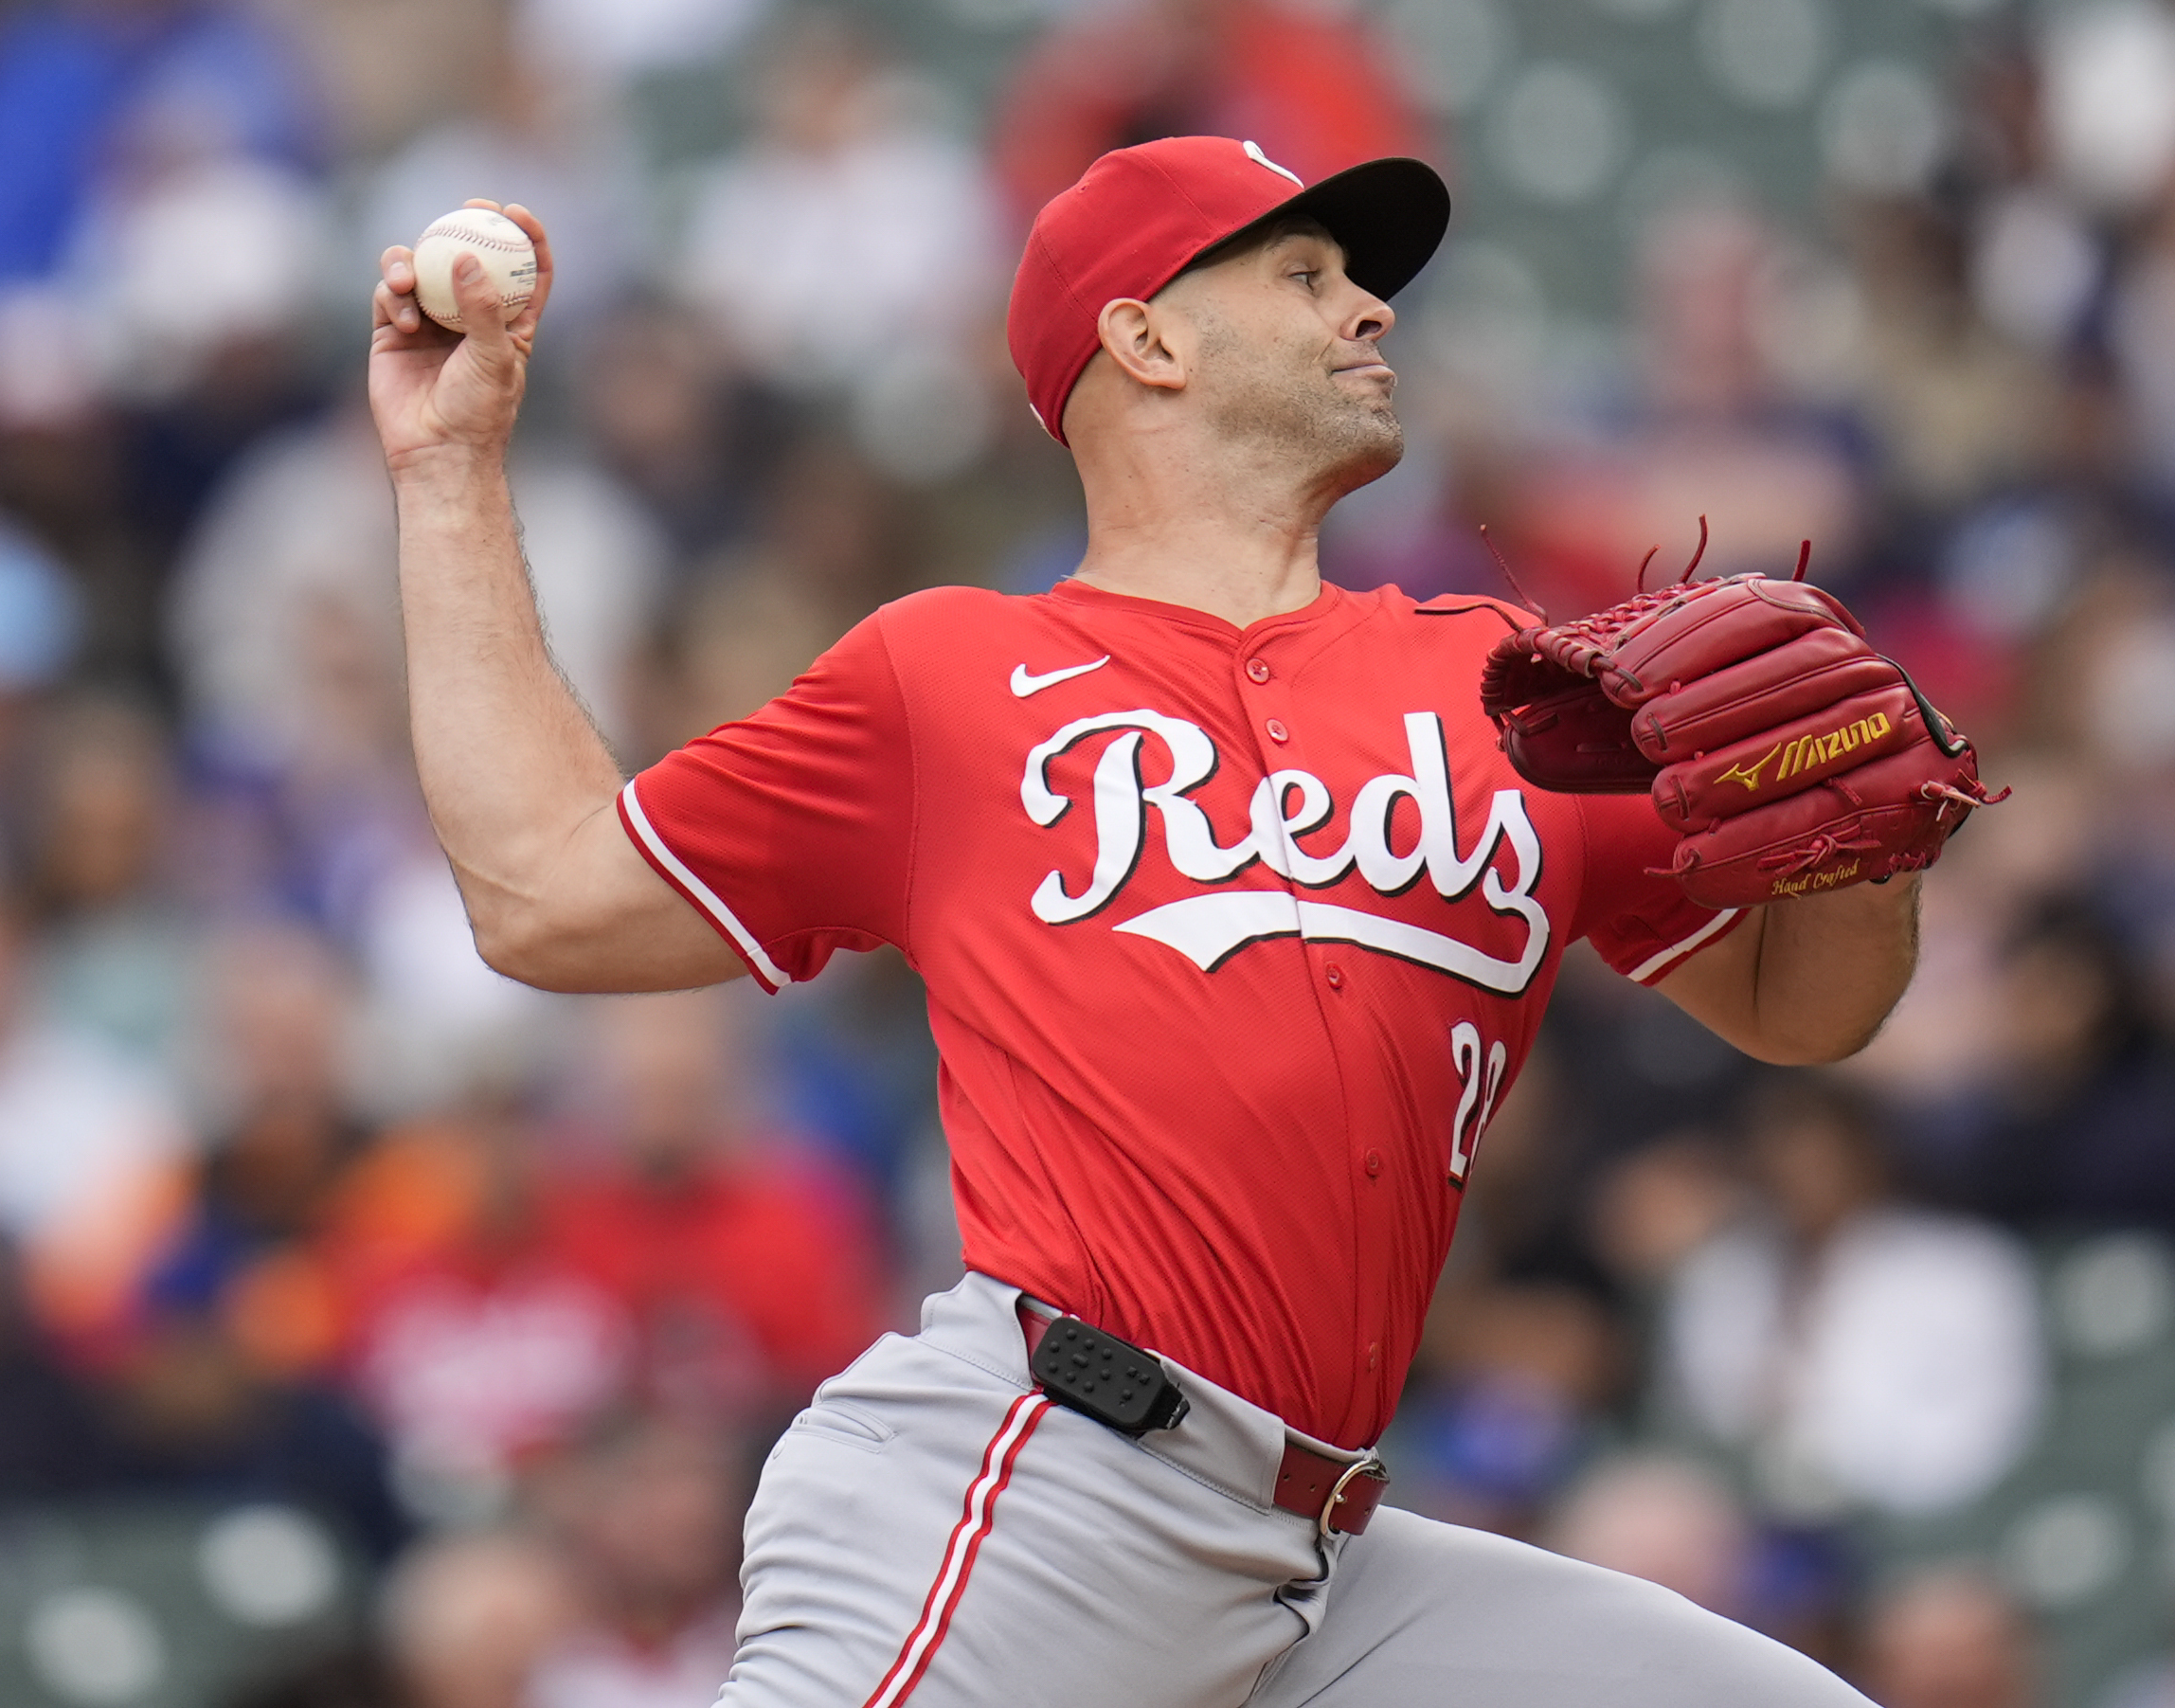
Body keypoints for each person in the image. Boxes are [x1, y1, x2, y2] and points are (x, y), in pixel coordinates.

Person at [367, 138, 1916, 1705]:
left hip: (1326, 1556)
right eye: (1304, 277)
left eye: (1359, 280)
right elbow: (547, 891)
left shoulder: (1506, 682)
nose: (1369, 311)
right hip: (1049, 1488)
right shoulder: (951, 679)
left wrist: (1870, 834)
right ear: (1146, 339)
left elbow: (1805, 1008)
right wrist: (447, 476)